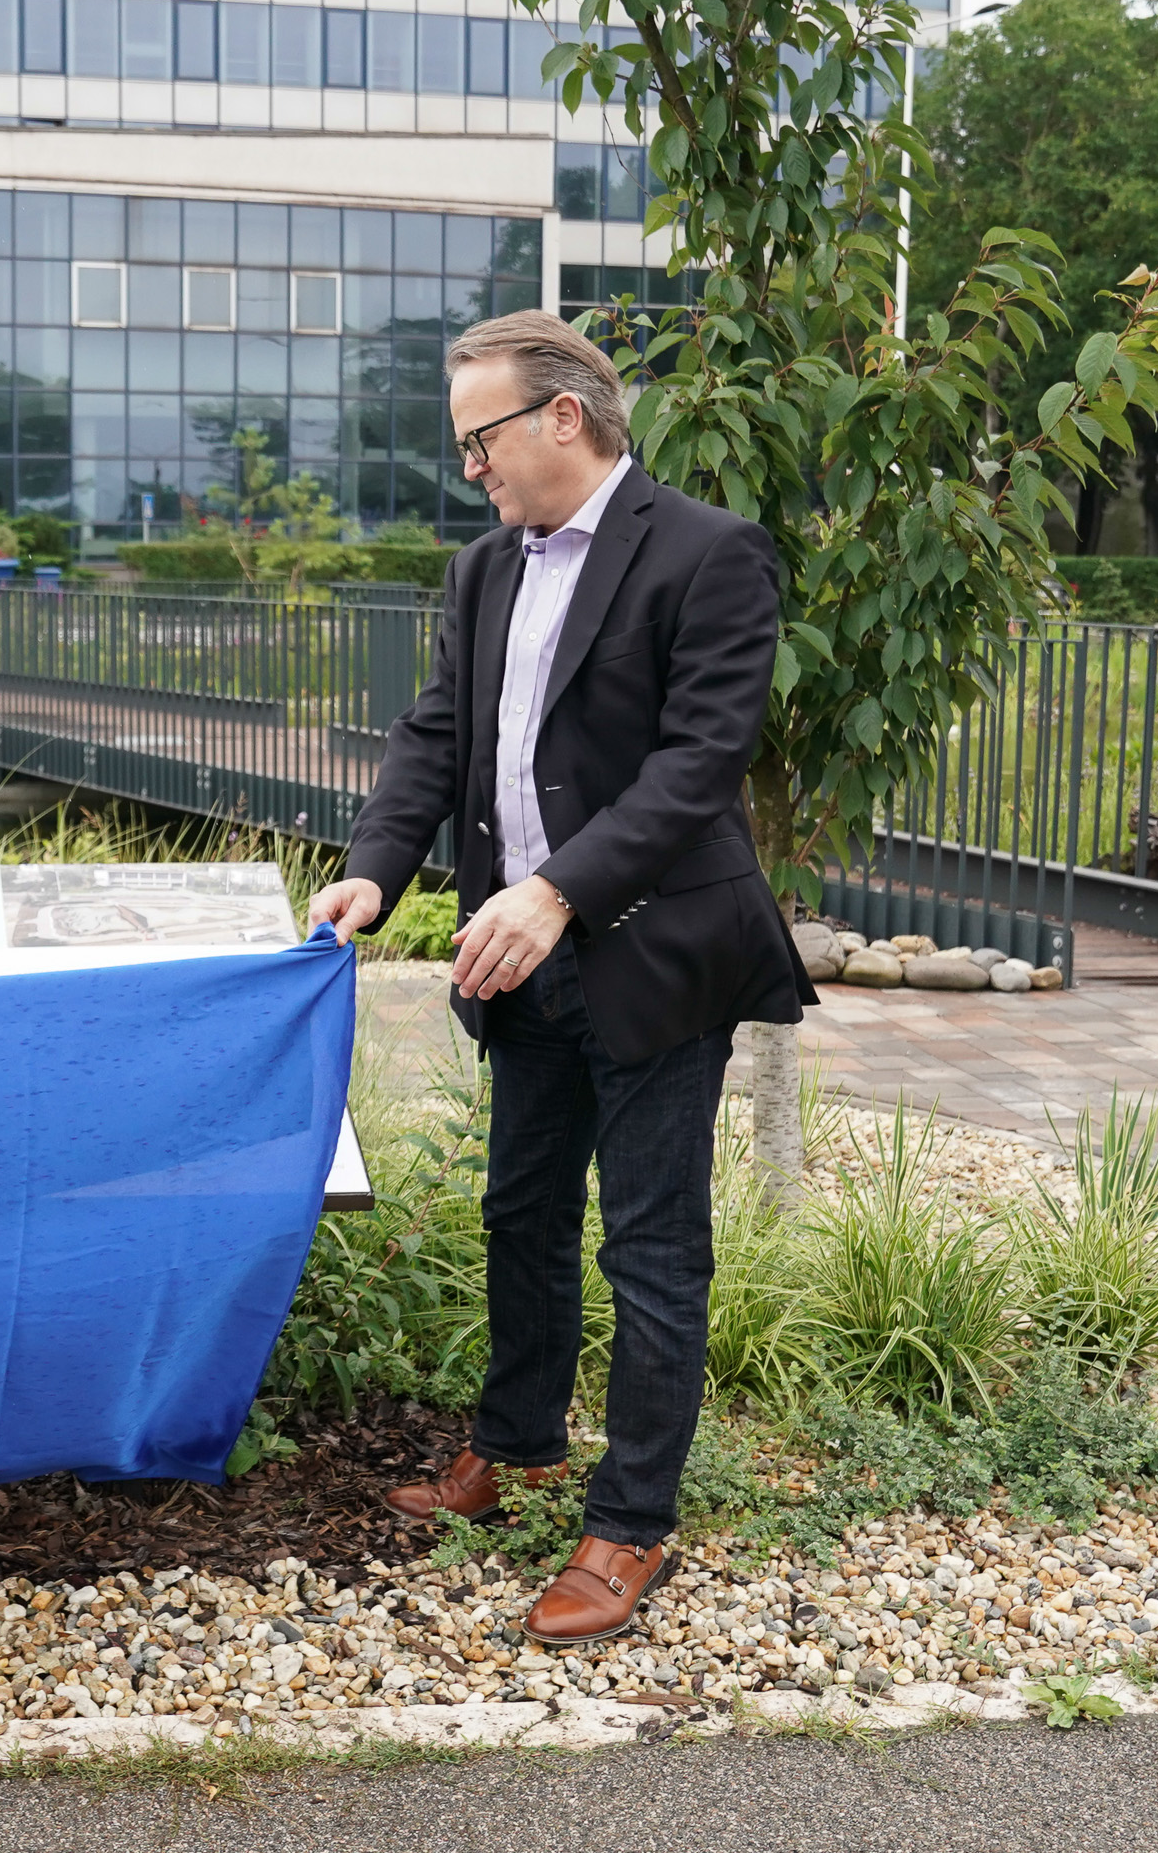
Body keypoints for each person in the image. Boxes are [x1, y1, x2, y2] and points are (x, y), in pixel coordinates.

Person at [309, 311, 812, 1650]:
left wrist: (556, 891)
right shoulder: (485, 568)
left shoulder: (709, 552)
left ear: (564, 419)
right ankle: (519, 1445)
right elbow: (438, 736)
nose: (469, 467)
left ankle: (629, 1524)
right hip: (516, 961)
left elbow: (699, 766)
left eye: (479, 440)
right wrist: (376, 870)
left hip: (652, 958)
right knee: (521, 1215)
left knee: (651, 1247)